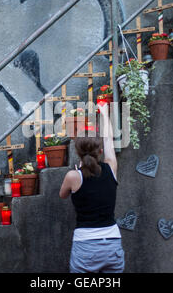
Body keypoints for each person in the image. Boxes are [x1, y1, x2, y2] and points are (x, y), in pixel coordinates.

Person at [59, 104, 124, 273]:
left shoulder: (73, 177)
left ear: (78, 153)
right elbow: (109, 139)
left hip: (86, 245)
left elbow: (62, 195)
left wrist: (77, 170)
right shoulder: (111, 168)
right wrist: (104, 114)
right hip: (112, 242)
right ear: (100, 151)